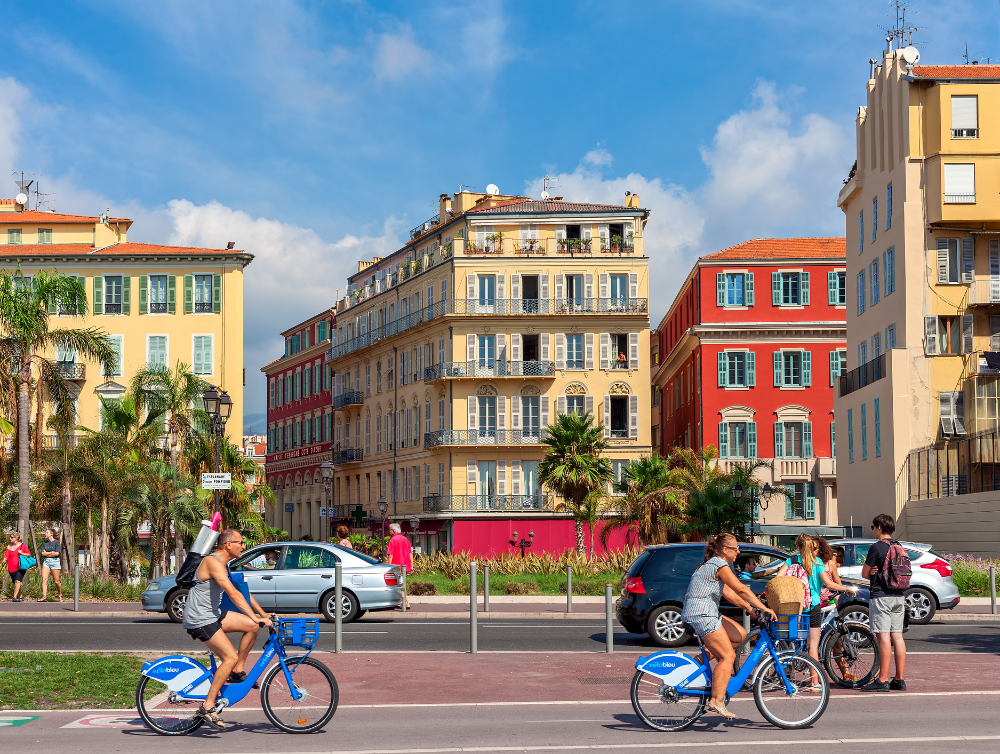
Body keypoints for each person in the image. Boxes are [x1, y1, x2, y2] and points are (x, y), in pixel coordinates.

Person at [181, 529, 273, 730]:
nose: (243, 546)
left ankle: (237, 670)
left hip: (213, 614)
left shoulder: (224, 565)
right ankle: (207, 706)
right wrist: (256, 618)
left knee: (250, 627)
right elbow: (232, 594)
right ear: (228, 545)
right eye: (240, 542)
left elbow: (242, 594)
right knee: (229, 657)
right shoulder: (213, 562)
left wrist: (262, 615)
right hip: (200, 618)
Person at [680, 534, 776, 719]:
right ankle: (716, 701)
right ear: (725, 550)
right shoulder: (719, 565)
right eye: (736, 548)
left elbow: (729, 593)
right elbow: (741, 589)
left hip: (706, 612)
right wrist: (763, 608)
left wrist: (749, 608)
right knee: (728, 656)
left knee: (739, 635)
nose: (738, 552)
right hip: (701, 614)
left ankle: (702, 660)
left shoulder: (711, 565)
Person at [776, 533, 858, 691]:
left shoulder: (791, 561)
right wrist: (846, 588)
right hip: (812, 606)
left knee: (792, 638)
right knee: (813, 646)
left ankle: (787, 669)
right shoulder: (818, 562)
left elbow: (778, 579)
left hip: (794, 606)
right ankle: (814, 683)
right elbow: (829, 584)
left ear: (798, 547)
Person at [862, 513, 907, 692]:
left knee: (883, 638)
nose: (873, 530)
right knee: (898, 636)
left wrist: (872, 571)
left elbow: (864, 574)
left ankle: (882, 680)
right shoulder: (899, 546)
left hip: (881, 597)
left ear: (879, 527)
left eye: (873, 527)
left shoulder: (877, 547)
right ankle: (899, 679)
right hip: (899, 595)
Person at [385, 523, 412, 609]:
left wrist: (389, 567)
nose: (389, 532)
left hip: (396, 566)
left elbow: (390, 555)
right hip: (405, 566)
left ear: (393, 531)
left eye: (390, 530)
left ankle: (405, 603)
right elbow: (410, 554)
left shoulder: (392, 540)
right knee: (401, 584)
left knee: (400, 585)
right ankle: (405, 602)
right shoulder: (406, 539)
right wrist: (411, 566)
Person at [5, 532, 31, 603]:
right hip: (11, 567)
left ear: (16, 538)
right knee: (16, 583)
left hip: (20, 566)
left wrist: (21, 552)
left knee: (17, 581)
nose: (10, 538)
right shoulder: (9, 546)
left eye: (12, 537)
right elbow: (6, 555)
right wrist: (4, 560)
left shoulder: (22, 545)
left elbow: (28, 554)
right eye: (10, 537)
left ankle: (14, 597)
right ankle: (21, 596)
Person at [39, 528, 63, 602]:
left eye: (47, 532)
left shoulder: (57, 543)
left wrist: (47, 553)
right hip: (46, 561)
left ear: (51, 534)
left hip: (55, 562)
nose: (45, 534)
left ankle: (60, 595)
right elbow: (42, 553)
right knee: (44, 579)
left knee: (56, 581)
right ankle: (44, 596)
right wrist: (51, 553)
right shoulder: (45, 543)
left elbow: (57, 553)